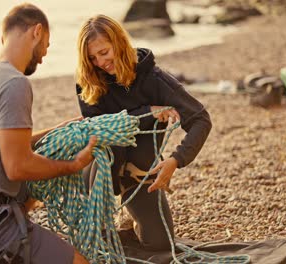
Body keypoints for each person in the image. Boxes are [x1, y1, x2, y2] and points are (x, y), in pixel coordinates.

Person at [0, 3, 96, 264]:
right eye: (46, 44)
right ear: (37, 31)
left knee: (34, 188)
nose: (44, 55)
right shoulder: (15, 83)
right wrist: (72, 165)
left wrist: (58, 130)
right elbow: (17, 167)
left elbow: (6, 144)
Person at [76, 15, 212, 251]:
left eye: (104, 52)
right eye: (92, 57)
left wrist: (176, 160)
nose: (100, 62)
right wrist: (147, 112)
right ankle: (97, 220)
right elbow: (101, 129)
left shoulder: (154, 78)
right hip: (101, 170)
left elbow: (201, 119)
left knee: (160, 245)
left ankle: (128, 217)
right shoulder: (89, 81)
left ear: (119, 42)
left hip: (138, 174)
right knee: (95, 246)